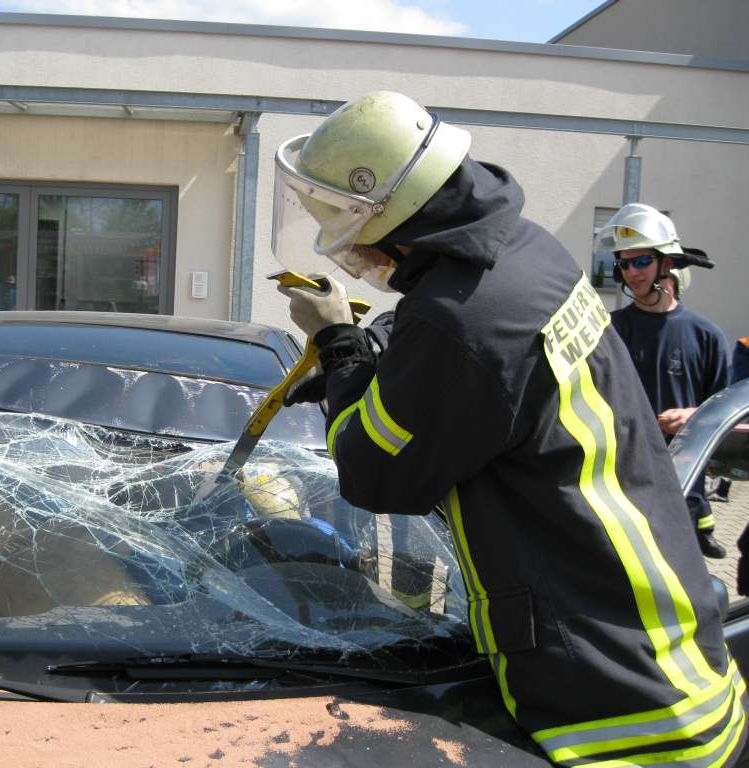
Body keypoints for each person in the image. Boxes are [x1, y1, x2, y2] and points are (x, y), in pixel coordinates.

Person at [271, 91, 746, 766]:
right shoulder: (526, 252)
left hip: (620, 710)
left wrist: (341, 347)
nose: (353, 247)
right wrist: (390, 357)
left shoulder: (459, 320)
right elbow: (486, 371)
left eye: (344, 222)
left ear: (388, 214)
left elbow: (373, 471)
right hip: (671, 650)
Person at [603, 203, 731, 559]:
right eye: (624, 263)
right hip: (621, 492)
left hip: (683, 493)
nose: (631, 272)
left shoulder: (706, 336)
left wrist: (695, 415)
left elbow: (725, 415)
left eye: (641, 261)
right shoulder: (608, 330)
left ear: (667, 263)